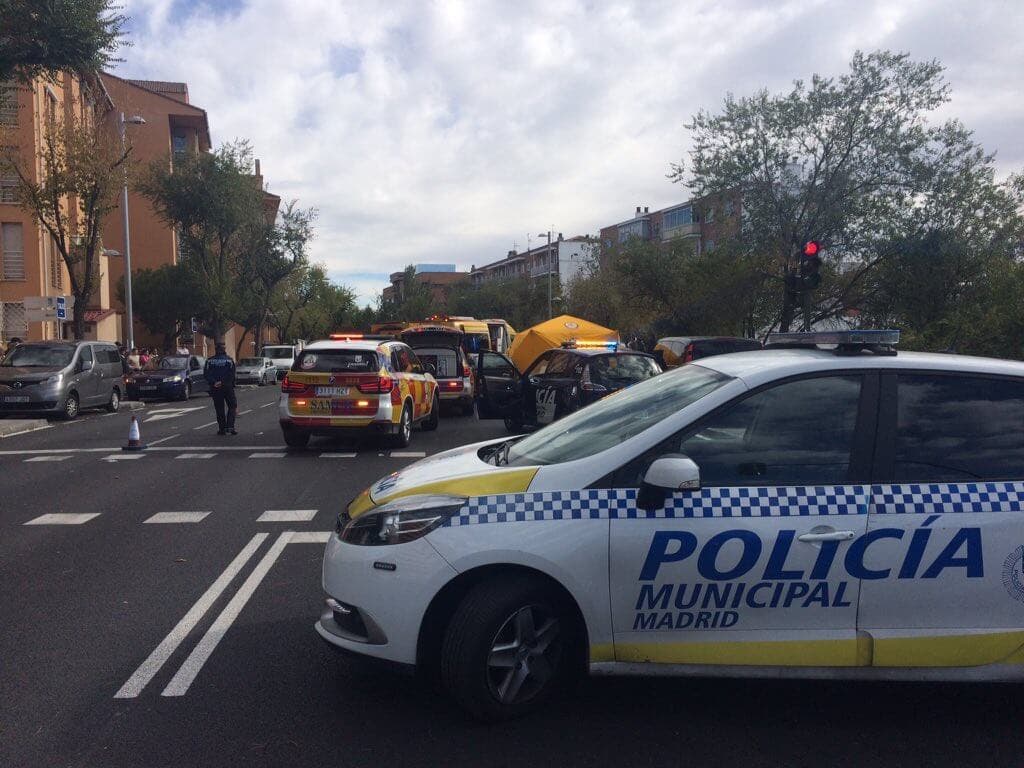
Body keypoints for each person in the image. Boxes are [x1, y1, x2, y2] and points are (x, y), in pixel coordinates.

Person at [204, 341, 237, 435]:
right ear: (224, 349)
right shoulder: (229, 360)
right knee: (232, 405)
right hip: (227, 387)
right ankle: (230, 426)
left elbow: (206, 374)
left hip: (215, 388)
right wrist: (223, 382)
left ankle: (222, 429)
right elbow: (231, 374)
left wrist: (214, 382)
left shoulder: (209, 361)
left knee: (219, 408)